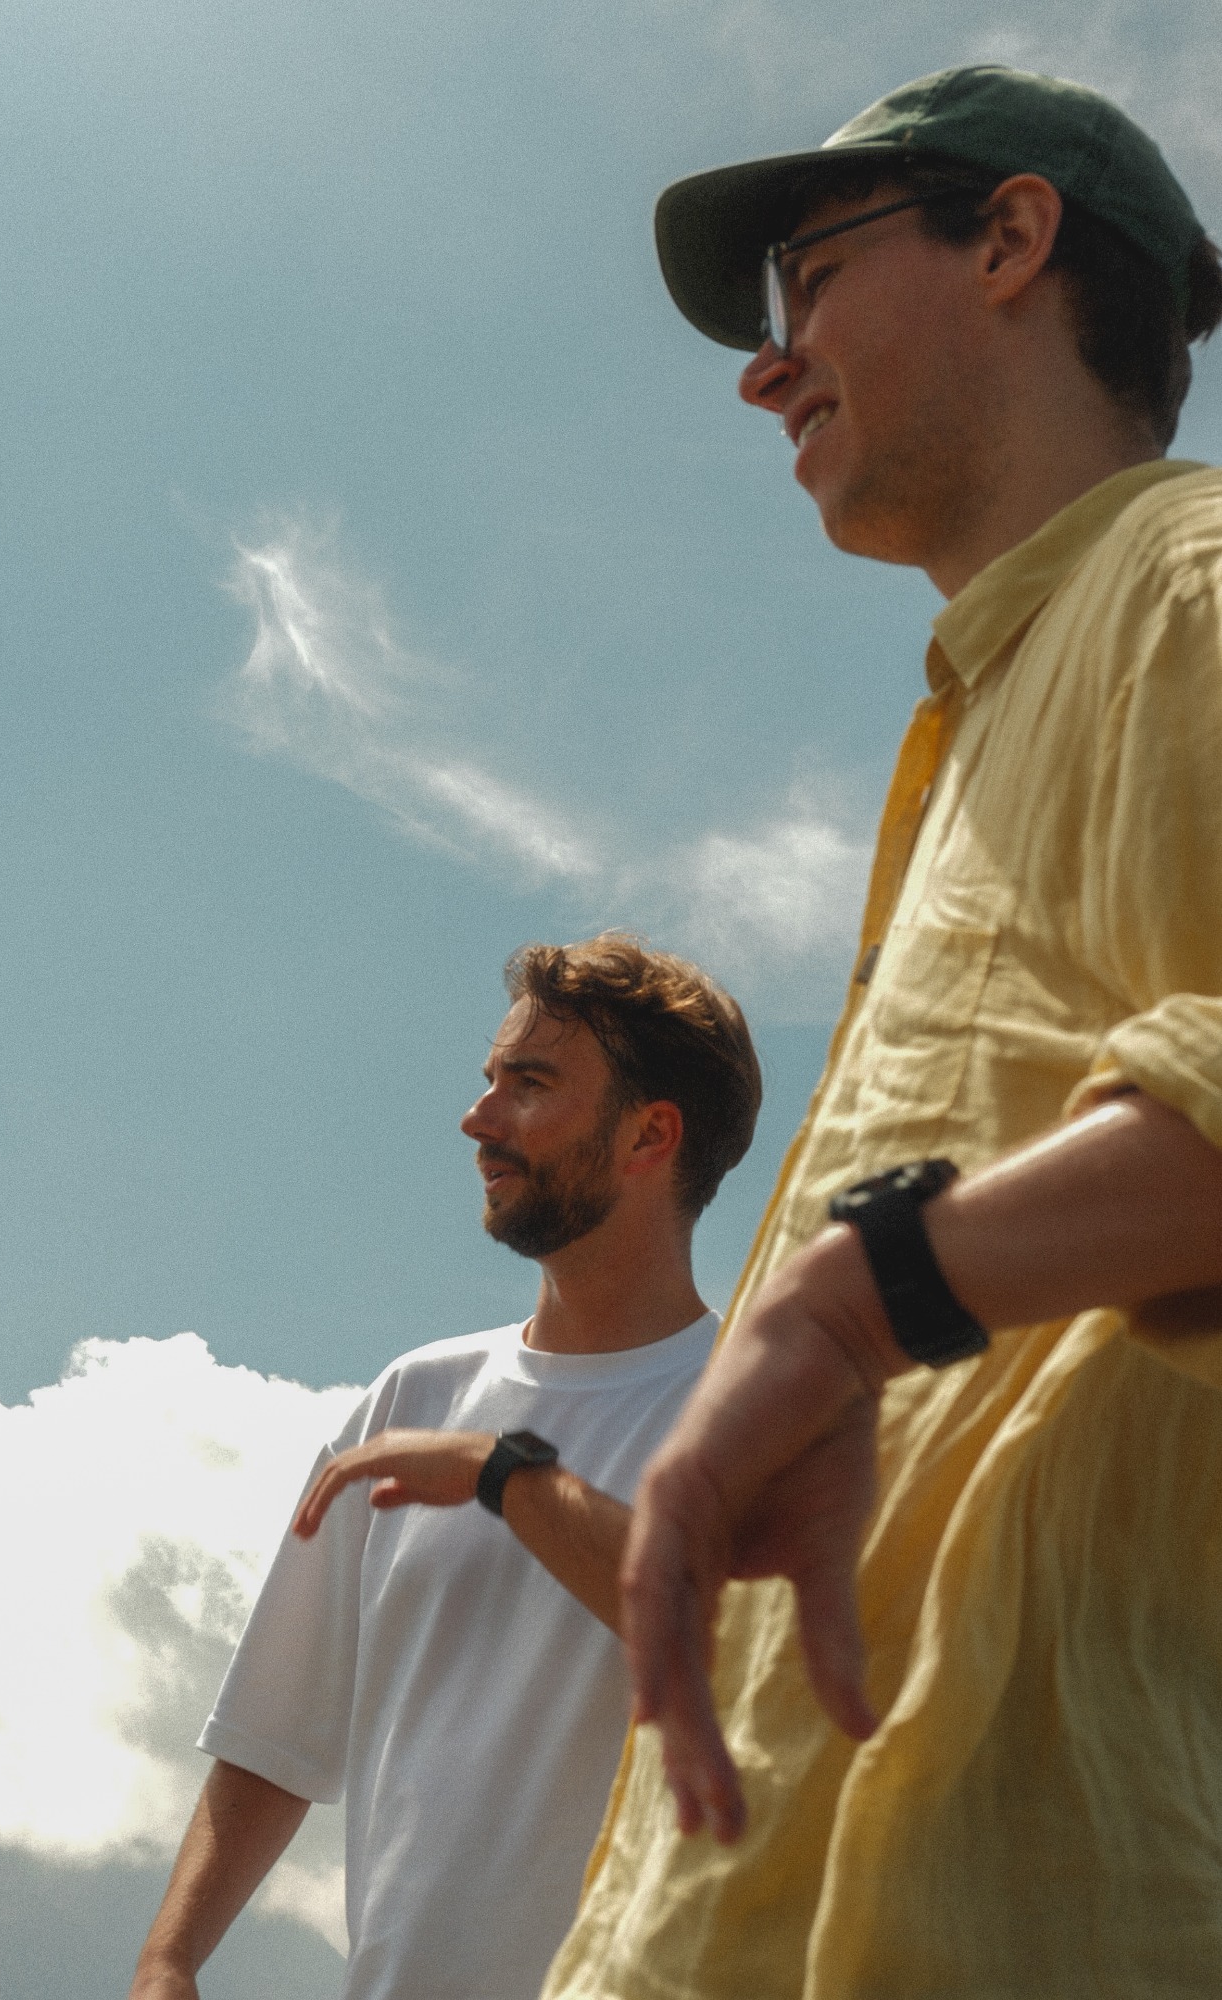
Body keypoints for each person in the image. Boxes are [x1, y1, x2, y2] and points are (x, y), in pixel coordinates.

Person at [540, 65, 1222, 2000]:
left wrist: (862, 1296)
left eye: (807, 280)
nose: (765, 370)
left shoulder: (1182, 581)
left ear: (1008, 239)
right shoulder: (1003, 696)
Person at [127, 934, 762, 2000]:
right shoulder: (410, 1397)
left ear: (650, 1134)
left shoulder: (759, 1411)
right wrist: (169, 1957)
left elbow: (749, 1643)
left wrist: (504, 1477)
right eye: (489, 1078)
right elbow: (275, 1734)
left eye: (530, 1084)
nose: (478, 1118)